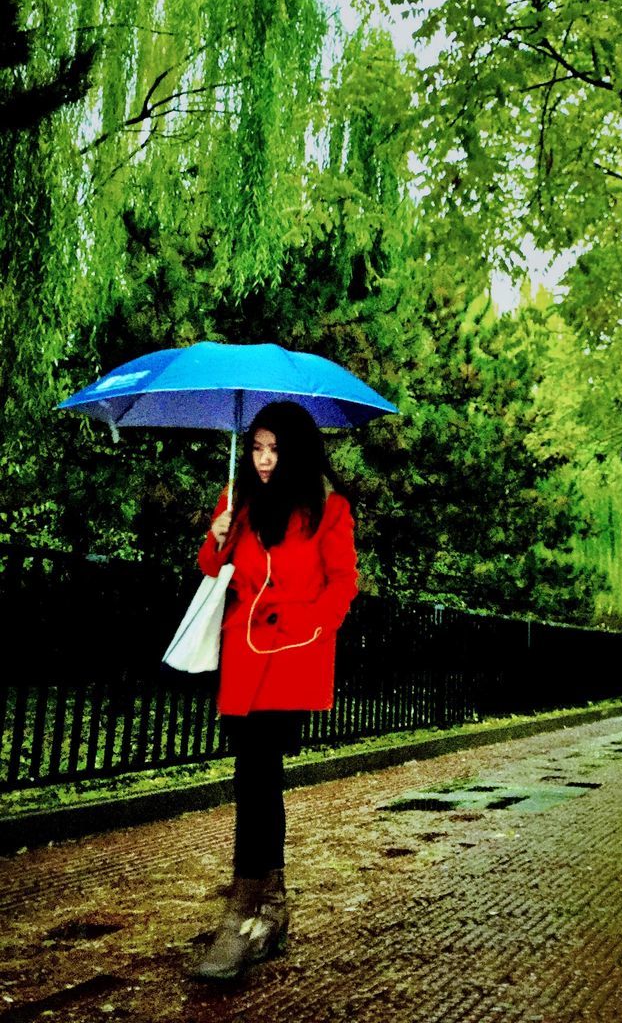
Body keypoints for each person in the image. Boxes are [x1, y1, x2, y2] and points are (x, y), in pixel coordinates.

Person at [192, 401, 358, 983]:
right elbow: (213, 569)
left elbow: (343, 582)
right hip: (241, 661)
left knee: (258, 774)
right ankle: (270, 907)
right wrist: (215, 537)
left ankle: (244, 911)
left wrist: (311, 627)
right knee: (255, 777)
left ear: (296, 453)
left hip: (291, 659)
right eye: (257, 448)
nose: (263, 461)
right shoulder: (236, 504)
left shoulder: (328, 512)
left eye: (274, 450)